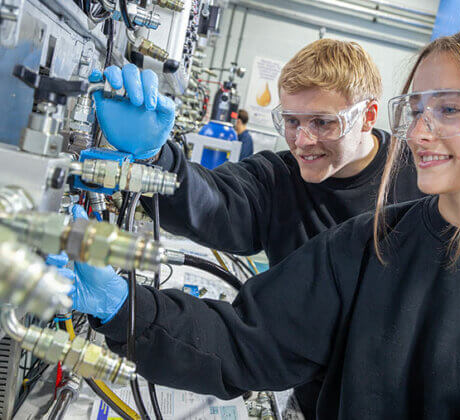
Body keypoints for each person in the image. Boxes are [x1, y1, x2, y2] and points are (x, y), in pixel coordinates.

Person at [75, 29, 460, 418]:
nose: (421, 131)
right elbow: (245, 343)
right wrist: (120, 306)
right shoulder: (371, 241)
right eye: (417, 110)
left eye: (450, 110)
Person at [85, 39, 422, 419]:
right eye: (291, 121)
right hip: (315, 400)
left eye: (323, 122)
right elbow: (213, 202)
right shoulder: (279, 179)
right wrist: (155, 160)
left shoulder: (419, 185)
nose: (302, 140)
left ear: (367, 115)